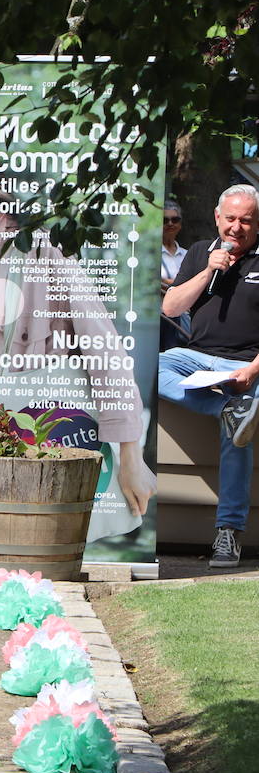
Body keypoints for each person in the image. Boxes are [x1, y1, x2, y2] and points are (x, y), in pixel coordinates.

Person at [0, 117, 154, 542]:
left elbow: (102, 345)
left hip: (43, 430)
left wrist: (130, 452)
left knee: (40, 539)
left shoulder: (37, 246)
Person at [159, 184, 259, 567]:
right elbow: (171, 306)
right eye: (230, 218)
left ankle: (228, 532)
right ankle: (225, 410)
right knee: (151, 367)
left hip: (246, 364)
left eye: (246, 221)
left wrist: (251, 371)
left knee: (238, 437)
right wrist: (207, 270)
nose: (236, 227)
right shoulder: (201, 251)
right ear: (218, 218)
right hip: (195, 357)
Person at [160, 201, 190, 350]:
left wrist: (167, 282)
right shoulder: (151, 254)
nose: (170, 224)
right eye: (165, 220)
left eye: (175, 219)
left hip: (182, 318)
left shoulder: (187, 255)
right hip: (159, 319)